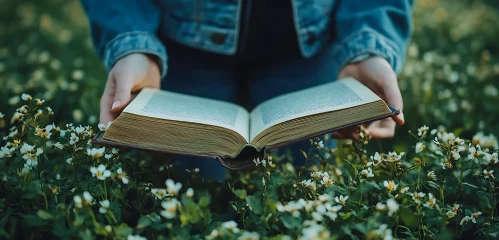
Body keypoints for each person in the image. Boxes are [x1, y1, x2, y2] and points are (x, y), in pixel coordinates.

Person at [81, 0, 413, 179]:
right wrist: (132, 44)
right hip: (180, 47)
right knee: (192, 187)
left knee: (300, 183)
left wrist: (370, 46)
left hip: (306, 49)